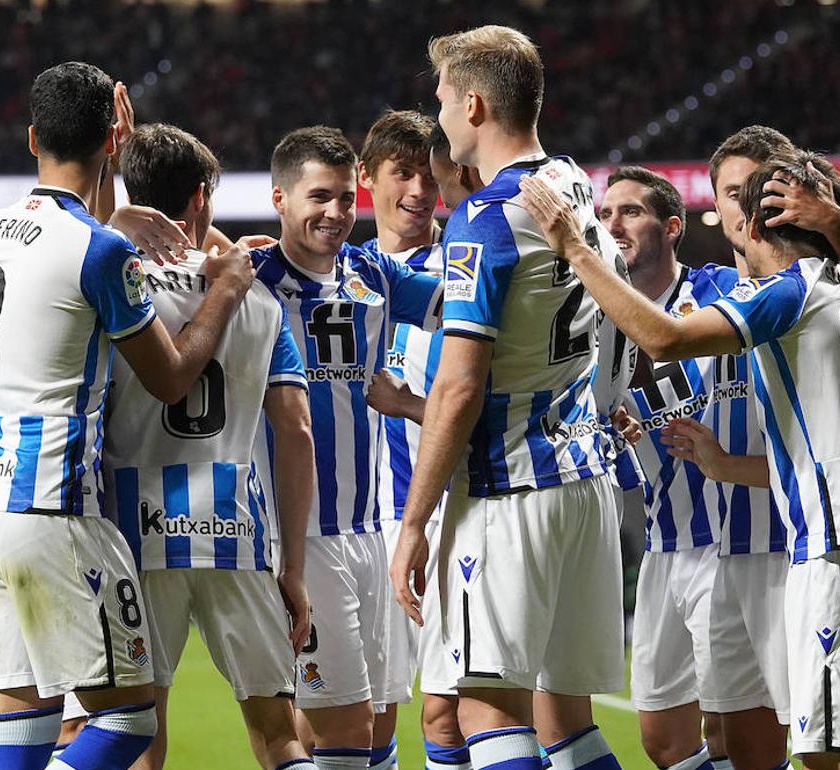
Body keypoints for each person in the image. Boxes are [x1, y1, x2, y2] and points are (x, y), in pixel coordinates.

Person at [519, 149, 840, 770]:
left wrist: (575, 250)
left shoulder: (786, 293)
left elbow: (666, 337)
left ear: (752, 224)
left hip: (838, 548)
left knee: (835, 759)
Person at [0, 61, 254, 770]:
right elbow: (172, 378)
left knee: (22, 729)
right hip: (50, 512)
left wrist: (114, 195)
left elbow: (62, 250)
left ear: (32, 139)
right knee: (130, 722)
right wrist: (227, 290)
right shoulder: (100, 250)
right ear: (116, 136)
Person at [390, 26, 626, 770]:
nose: (439, 119)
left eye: (442, 103)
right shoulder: (573, 185)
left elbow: (459, 385)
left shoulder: (484, 218)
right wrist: (382, 281)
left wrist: (416, 521)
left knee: (485, 708)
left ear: (474, 103)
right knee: (566, 723)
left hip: (508, 488)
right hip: (581, 481)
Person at [104, 122, 317, 770]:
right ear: (200, 199)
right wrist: (294, 570)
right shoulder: (257, 300)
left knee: (134, 733)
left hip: (132, 532)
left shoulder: (113, 286)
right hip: (236, 530)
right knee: (279, 736)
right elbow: (297, 430)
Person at [252, 125, 444, 770]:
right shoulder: (247, 282)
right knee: (342, 729)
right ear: (279, 198)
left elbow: (466, 306)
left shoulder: (374, 277)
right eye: (317, 197)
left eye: (343, 198)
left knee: (378, 719)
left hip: (373, 531)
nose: (334, 213)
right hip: (302, 536)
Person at [594, 166, 738, 770]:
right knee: (663, 740)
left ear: (673, 227)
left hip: (735, 543)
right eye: (603, 216)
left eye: (629, 212)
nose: (612, 224)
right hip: (662, 541)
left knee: (737, 731)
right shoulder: (595, 325)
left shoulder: (720, 290)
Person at [359, 108, 442, 770]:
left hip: (454, 512)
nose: (417, 190)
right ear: (368, 179)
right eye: (402, 174)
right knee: (364, 716)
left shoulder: (462, 266)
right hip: (364, 523)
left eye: (428, 174)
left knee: (454, 708)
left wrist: (408, 406)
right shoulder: (345, 273)